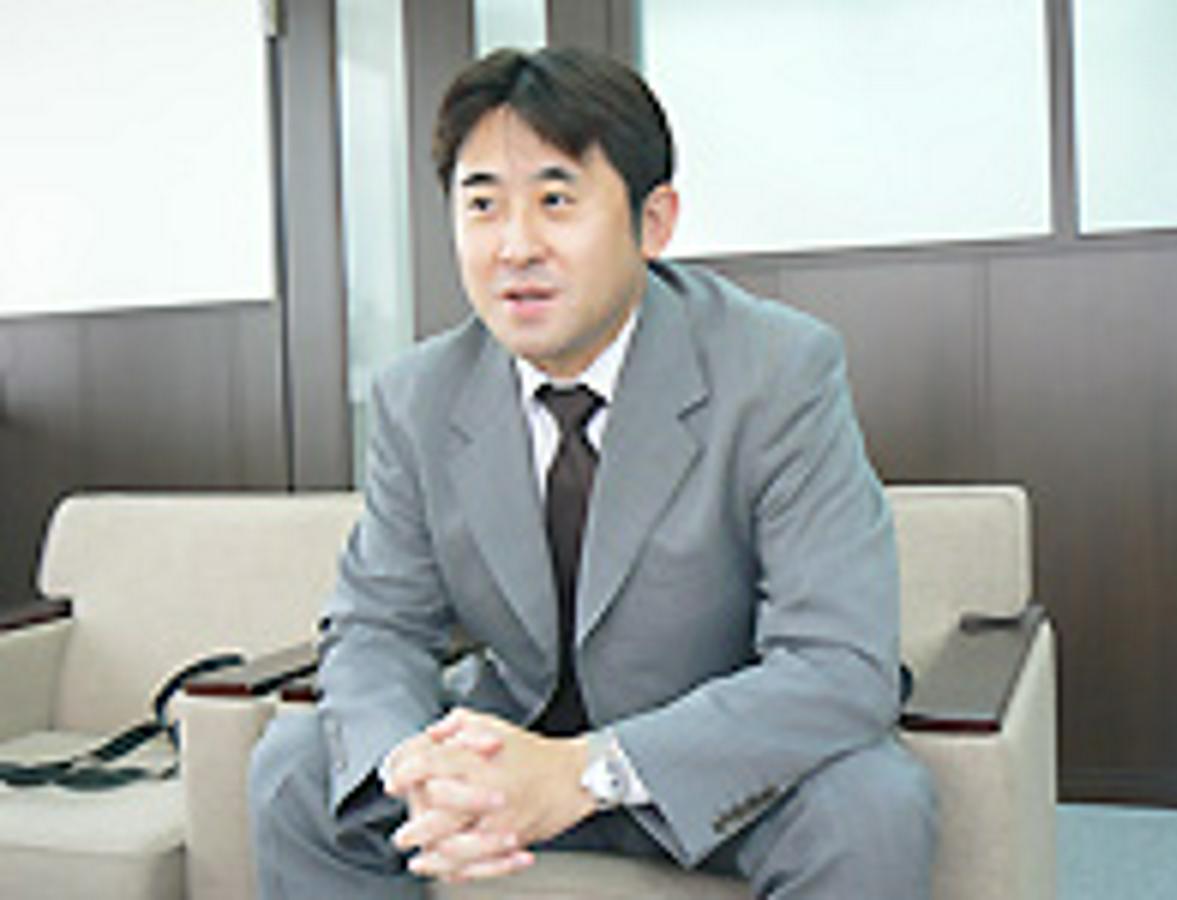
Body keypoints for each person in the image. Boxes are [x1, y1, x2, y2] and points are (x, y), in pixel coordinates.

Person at [249, 46, 936, 899]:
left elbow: (838, 662)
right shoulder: (418, 396)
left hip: (706, 757)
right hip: (507, 746)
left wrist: (585, 773)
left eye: (556, 201)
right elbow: (379, 626)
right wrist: (414, 766)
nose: (515, 247)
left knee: (872, 805)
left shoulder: (777, 370)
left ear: (654, 222)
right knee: (296, 767)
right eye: (482, 205)